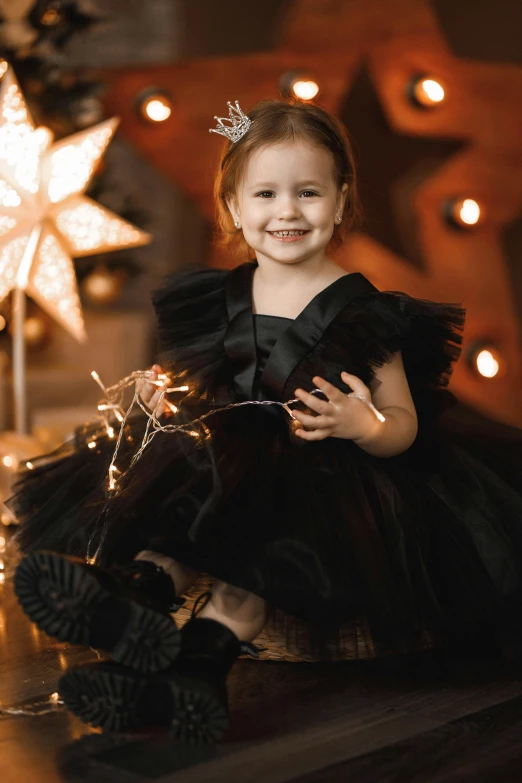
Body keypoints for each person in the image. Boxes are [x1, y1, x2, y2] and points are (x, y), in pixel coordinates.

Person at [9, 98, 522, 745]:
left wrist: (362, 423)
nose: (287, 211)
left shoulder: (365, 311)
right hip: (230, 458)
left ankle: (197, 668)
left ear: (340, 202)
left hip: (331, 471)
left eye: (308, 192)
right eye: (266, 193)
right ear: (233, 208)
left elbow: (404, 424)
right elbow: (209, 395)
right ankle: (131, 593)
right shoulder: (220, 299)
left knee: (257, 547)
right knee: (179, 499)